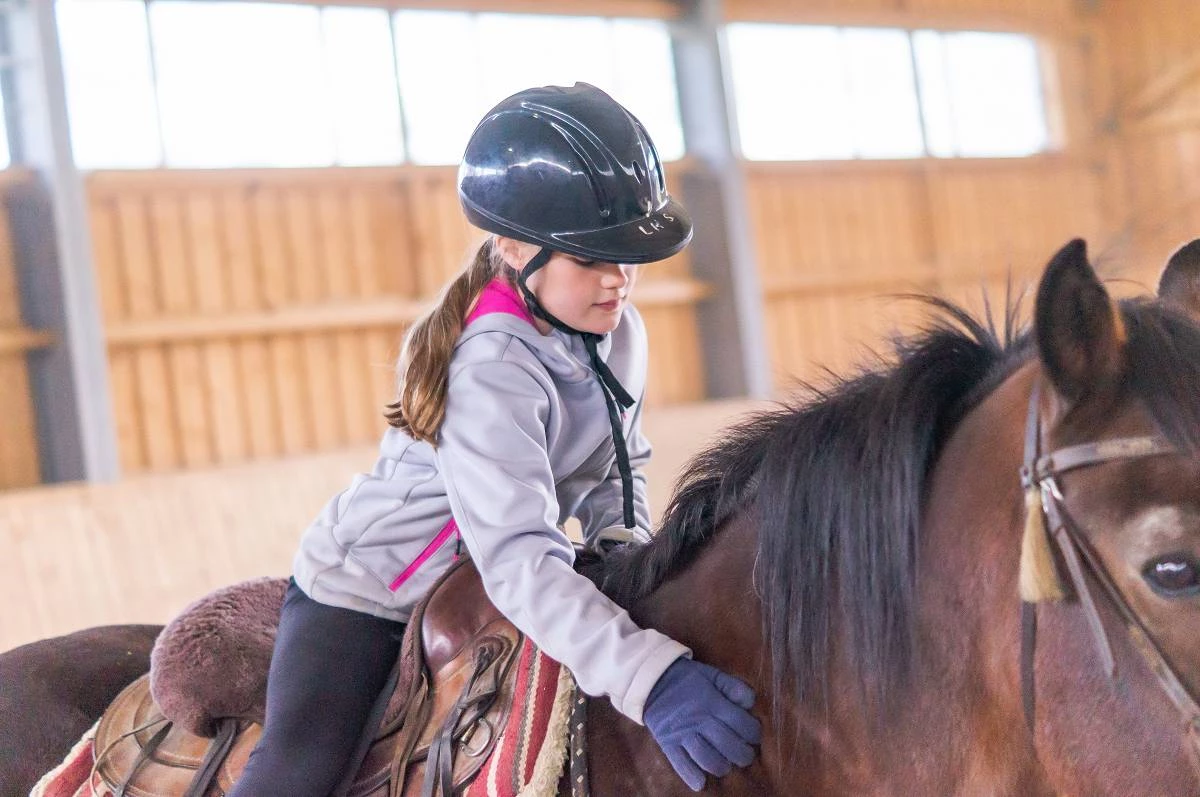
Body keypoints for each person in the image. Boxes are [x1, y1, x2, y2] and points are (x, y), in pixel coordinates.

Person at [229, 82, 761, 796]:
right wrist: (652, 680)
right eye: (590, 260)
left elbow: (618, 464)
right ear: (513, 248)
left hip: (485, 574)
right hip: (369, 593)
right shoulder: (490, 366)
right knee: (300, 773)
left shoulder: (617, 329)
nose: (618, 282)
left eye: (625, 258)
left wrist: (623, 543)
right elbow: (517, 561)